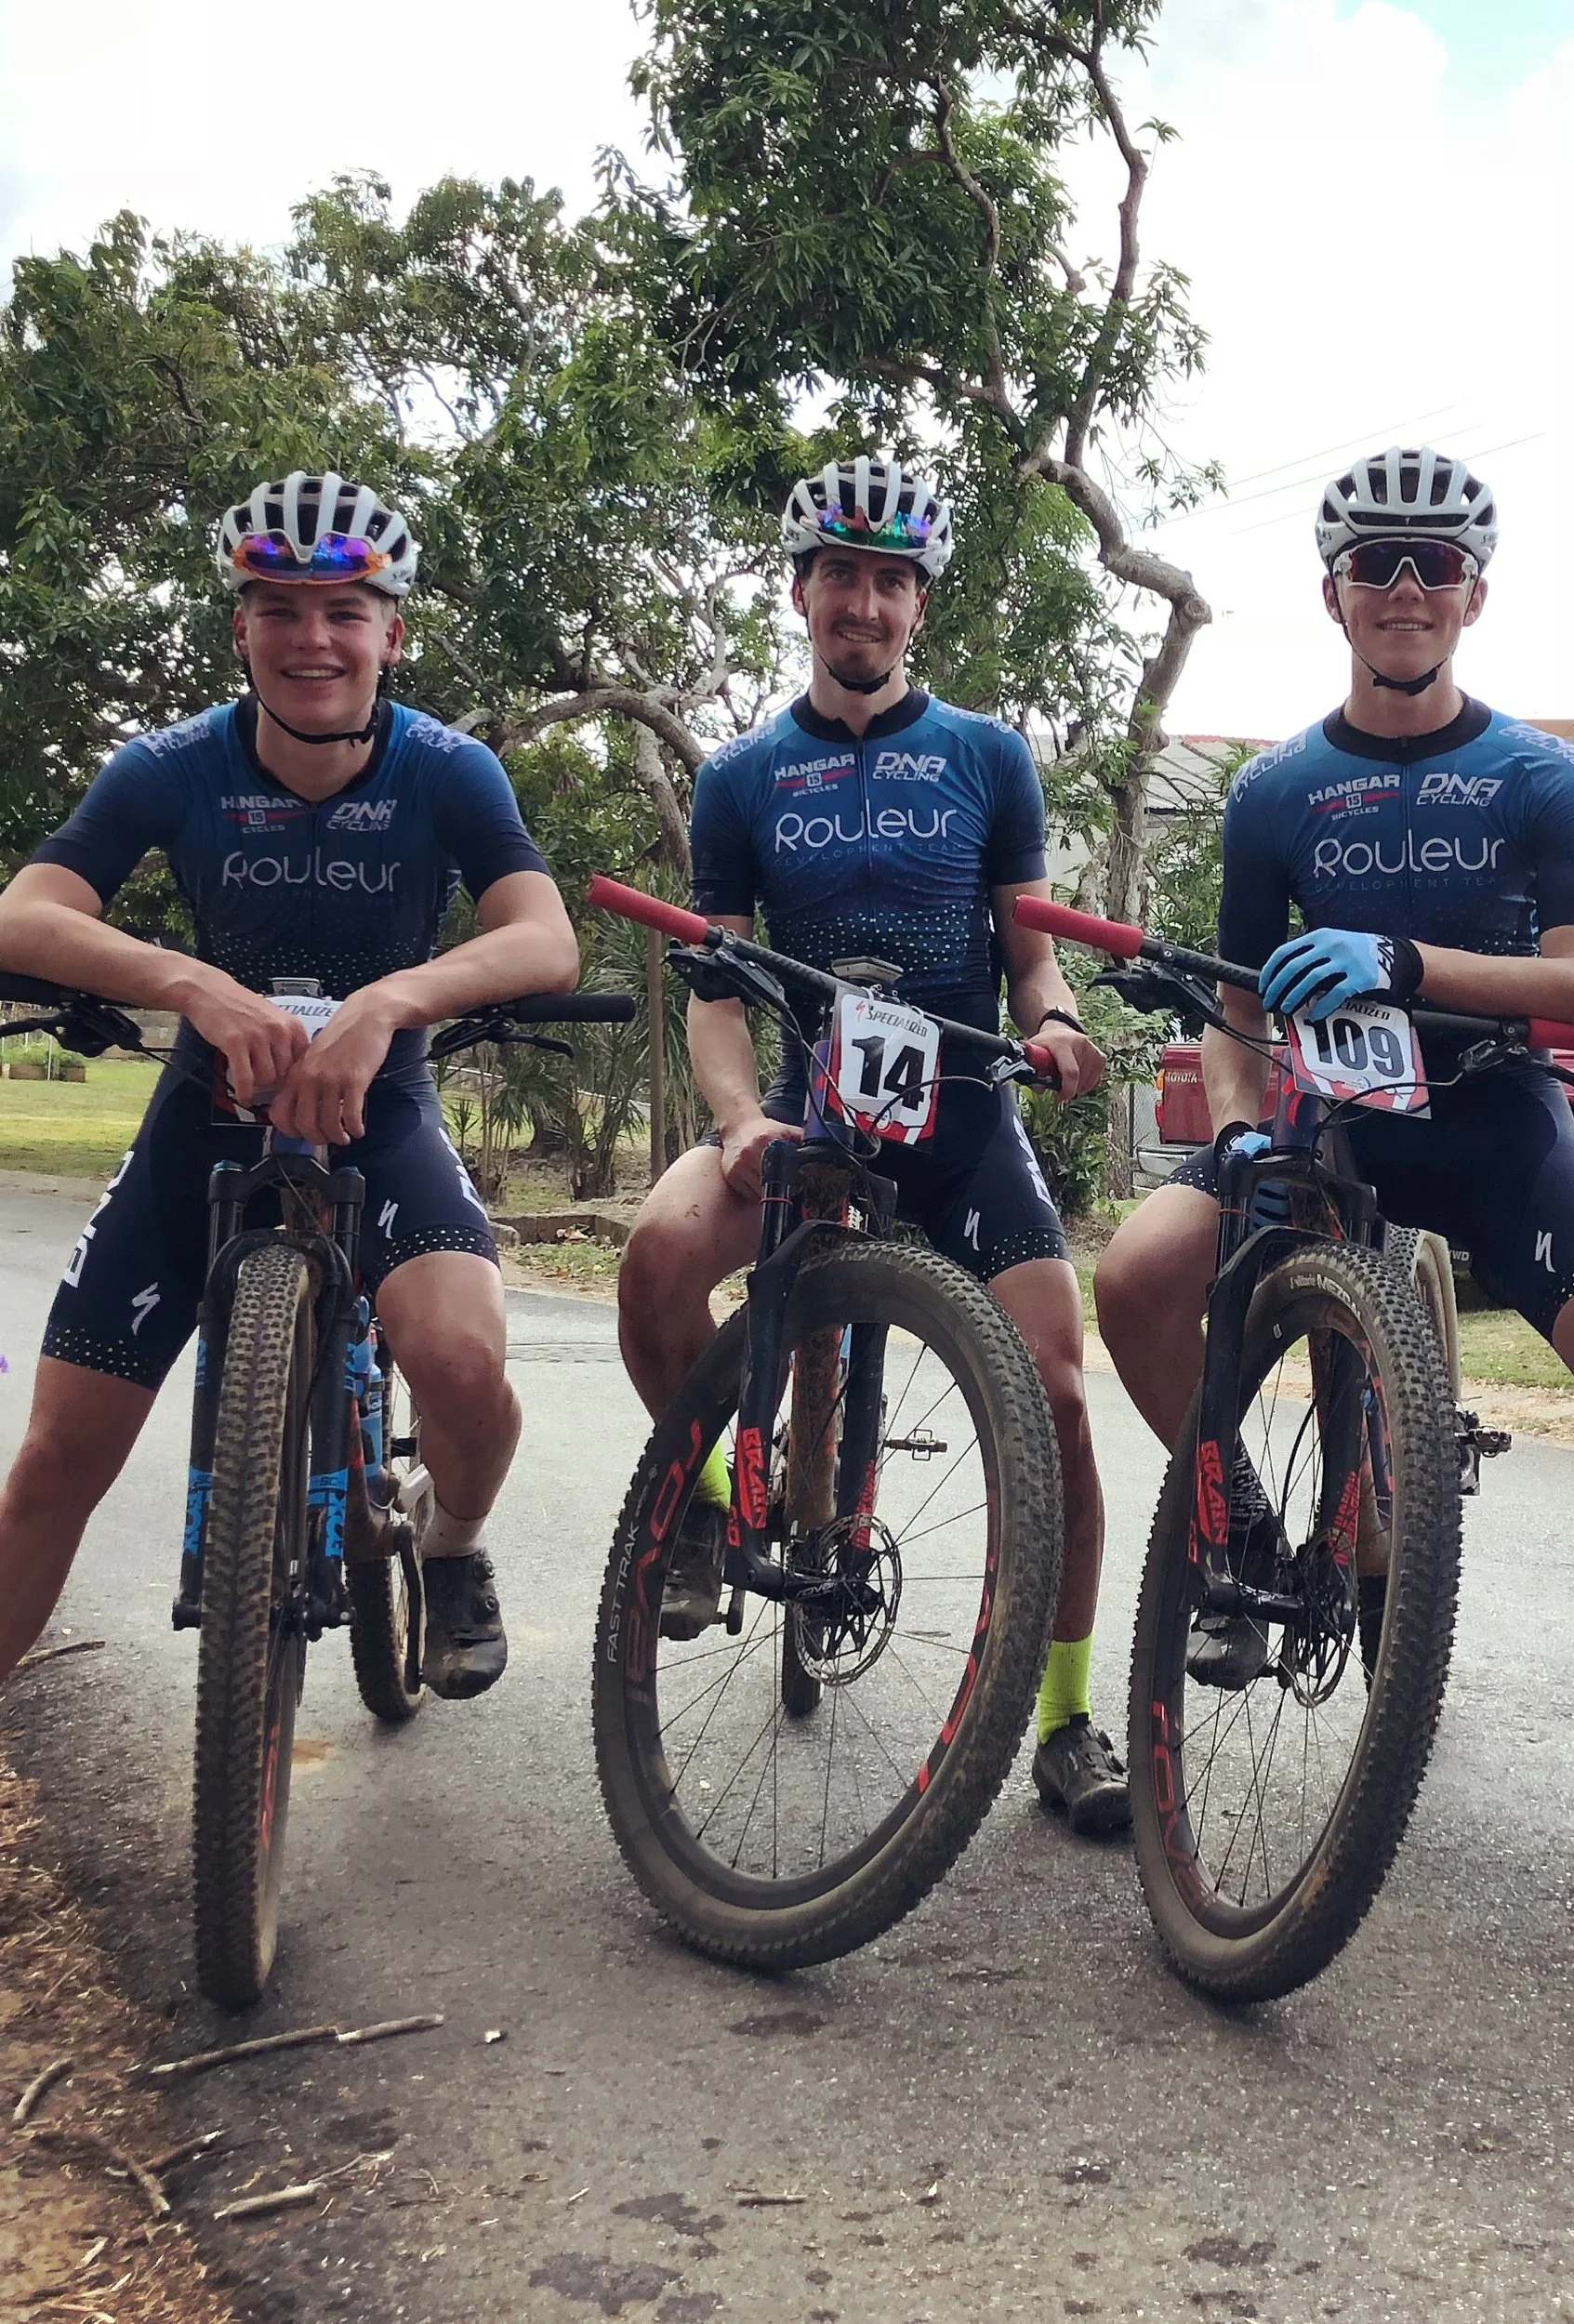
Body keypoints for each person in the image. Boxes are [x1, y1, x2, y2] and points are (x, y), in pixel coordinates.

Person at [1093, 446, 1574, 1926]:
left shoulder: (1539, 775)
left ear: (1475, 594)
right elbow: (1239, 1000)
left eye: (1433, 565)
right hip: (1329, 1127)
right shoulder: (1278, 792)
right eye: (1376, 565)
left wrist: (1407, 963)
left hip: (1494, 1114)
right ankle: (1245, 1533)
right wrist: (1250, 1121)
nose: (1405, 589)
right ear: (1331, 592)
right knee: (1133, 1278)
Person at [0, 470, 579, 1696]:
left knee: (464, 1364)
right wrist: (190, 984)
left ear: (392, 633)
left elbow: (542, 936)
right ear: (241, 628)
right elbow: (28, 913)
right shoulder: (169, 764)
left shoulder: (449, 769)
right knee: (53, 1461)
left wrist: (392, 1001)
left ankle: (454, 1547)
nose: (313, 638)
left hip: (388, 1116)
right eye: (279, 607)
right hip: (202, 1124)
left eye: (345, 611)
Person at [613, 456, 1127, 1834]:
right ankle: (713, 1500)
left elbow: (1032, 951)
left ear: (918, 608)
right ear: (804, 593)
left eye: (892, 580)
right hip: (812, 1119)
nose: (867, 601)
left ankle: (1070, 1715)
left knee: (1063, 1405)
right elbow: (713, 992)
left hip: (961, 1125)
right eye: (842, 574)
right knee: (659, 1258)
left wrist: (1061, 1021)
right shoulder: (741, 777)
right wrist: (737, 1123)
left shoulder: (984, 755)